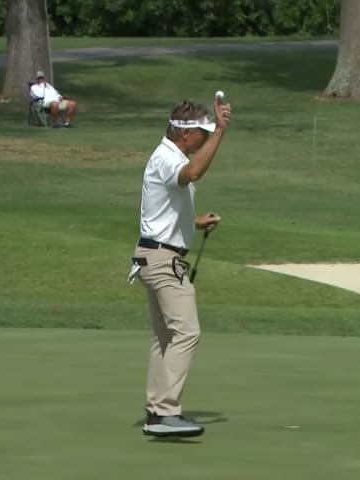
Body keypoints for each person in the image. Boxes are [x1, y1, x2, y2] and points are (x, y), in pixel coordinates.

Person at [128, 96, 231, 438]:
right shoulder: (169, 158)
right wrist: (220, 132)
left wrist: (195, 222)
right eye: (201, 133)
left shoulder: (167, 156)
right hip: (161, 261)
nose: (203, 139)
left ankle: (157, 409)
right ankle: (165, 412)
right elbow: (192, 173)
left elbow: (163, 211)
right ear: (185, 135)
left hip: (153, 256)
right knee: (186, 332)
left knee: (165, 337)